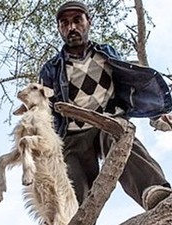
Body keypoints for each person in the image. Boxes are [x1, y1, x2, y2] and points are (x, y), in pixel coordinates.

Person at [38, 1, 172, 211]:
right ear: (59, 28)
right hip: (74, 133)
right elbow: (44, 112)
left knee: (120, 138)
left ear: (88, 22)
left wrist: (158, 115)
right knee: (71, 175)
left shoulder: (105, 53)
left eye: (77, 21)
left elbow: (131, 85)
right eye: (64, 23)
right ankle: (72, 215)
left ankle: (154, 191)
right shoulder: (51, 69)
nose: (71, 28)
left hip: (108, 122)